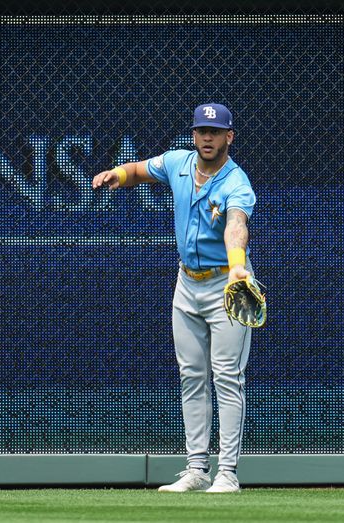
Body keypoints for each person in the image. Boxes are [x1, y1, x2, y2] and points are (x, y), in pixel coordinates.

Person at [92, 103, 256, 493]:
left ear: (229, 137)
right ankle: (197, 470)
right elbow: (137, 170)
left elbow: (236, 226)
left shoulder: (237, 182)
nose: (207, 138)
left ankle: (227, 473)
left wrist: (237, 267)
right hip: (186, 285)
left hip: (224, 285)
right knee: (191, 376)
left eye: (215, 132)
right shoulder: (179, 163)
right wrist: (115, 174)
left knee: (227, 378)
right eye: (201, 131)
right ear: (194, 134)